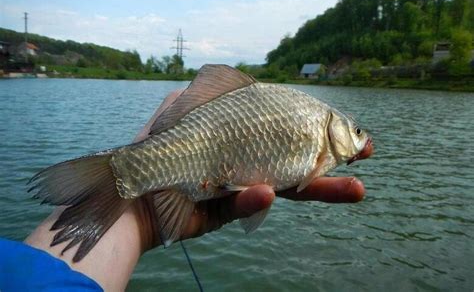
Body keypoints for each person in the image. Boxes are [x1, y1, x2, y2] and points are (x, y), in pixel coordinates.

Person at [1, 90, 365, 291]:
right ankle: (126, 178)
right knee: (131, 171)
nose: (359, 140)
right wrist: (143, 211)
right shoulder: (318, 124)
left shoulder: (316, 120)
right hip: (206, 144)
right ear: (336, 128)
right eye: (356, 132)